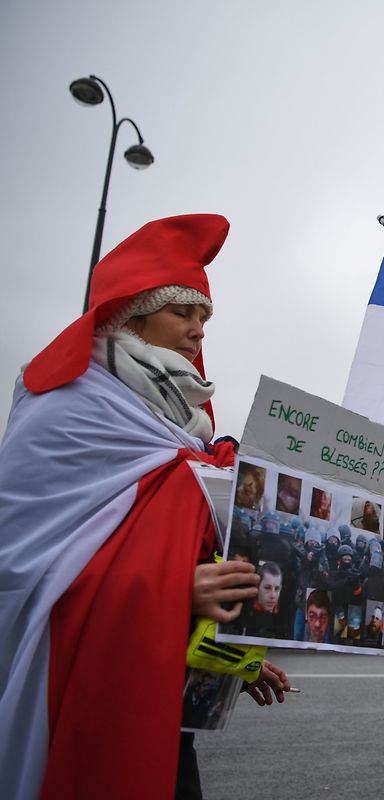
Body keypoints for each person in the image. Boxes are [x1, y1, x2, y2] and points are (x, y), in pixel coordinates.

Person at [0, 215, 292, 800]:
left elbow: (177, 546)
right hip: (89, 690)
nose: (197, 330)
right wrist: (172, 592)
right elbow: (21, 570)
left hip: (158, 689)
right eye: (182, 312)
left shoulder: (180, 421)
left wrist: (238, 653)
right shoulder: (67, 407)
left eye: (204, 318)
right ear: (132, 314)